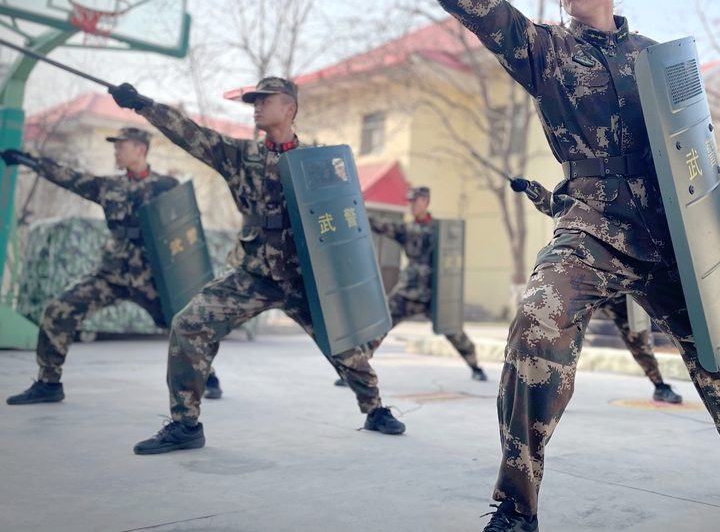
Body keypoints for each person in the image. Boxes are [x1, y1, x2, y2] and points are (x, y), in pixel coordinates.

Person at [375, 0, 720, 528]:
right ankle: (516, 504)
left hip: (670, 231)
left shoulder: (657, 61)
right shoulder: (546, 51)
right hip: (591, 224)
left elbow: (699, 154)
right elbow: (488, 11)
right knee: (538, 325)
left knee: (716, 349)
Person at [109, 77, 405, 454]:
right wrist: (143, 105)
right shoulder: (239, 154)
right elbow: (190, 133)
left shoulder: (316, 163)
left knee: (345, 347)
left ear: (289, 109)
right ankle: (185, 425)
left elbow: (343, 218)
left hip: (305, 277)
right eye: (254, 101)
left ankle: (375, 410)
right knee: (188, 324)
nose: (257, 106)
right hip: (252, 273)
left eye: (266, 100)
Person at [3, 128, 222, 404]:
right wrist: (32, 162)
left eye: (121, 146)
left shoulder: (166, 186)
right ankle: (48, 383)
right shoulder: (108, 186)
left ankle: (208, 375)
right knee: (58, 311)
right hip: (111, 274)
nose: (116, 151)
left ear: (140, 149)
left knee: (184, 324)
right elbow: (71, 178)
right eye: (115, 146)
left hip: (153, 278)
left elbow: (185, 231)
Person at [511, 177, 682, 403]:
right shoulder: (582, 197)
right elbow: (554, 205)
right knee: (559, 330)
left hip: (620, 285)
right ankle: (548, 396)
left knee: (637, 339)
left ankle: (659, 385)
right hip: (586, 279)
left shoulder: (630, 198)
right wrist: (531, 189)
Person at [345, 186, 486, 384]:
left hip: (435, 294)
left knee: (453, 331)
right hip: (408, 292)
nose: (411, 205)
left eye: (415, 201)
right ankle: (354, 370)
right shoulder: (406, 229)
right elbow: (380, 225)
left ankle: (476, 367)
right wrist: (356, 210)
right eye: (409, 201)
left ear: (426, 201)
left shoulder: (441, 230)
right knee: (380, 324)